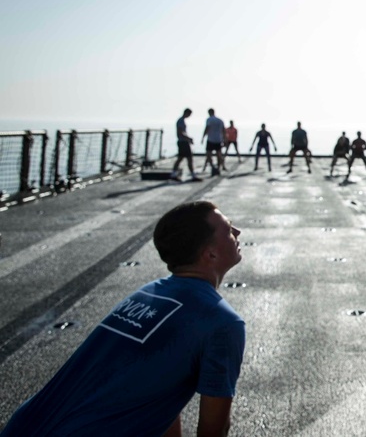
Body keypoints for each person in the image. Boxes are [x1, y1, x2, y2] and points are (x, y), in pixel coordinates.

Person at [0, 202, 245, 437]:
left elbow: (160, 392)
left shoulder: (149, 293)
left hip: (25, 425)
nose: (237, 232)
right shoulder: (221, 323)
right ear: (210, 254)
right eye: (228, 229)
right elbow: (214, 431)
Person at [172, 108, 201, 182]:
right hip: (183, 142)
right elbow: (181, 132)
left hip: (182, 142)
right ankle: (193, 175)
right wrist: (189, 138)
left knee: (180, 158)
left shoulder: (181, 120)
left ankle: (174, 174)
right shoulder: (181, 121)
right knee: (189, 158)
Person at [202, 108, 226, 174]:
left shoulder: (209, 119)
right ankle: (218, 168)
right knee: (219, 155)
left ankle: (213, 167)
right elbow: (223, 130)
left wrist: (203, 137)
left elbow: (207, 128)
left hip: (211, 139)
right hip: (218, 139)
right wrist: (225, 140)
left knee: (208, 154)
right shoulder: (220, 120)